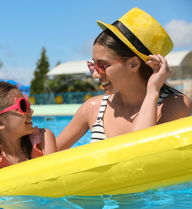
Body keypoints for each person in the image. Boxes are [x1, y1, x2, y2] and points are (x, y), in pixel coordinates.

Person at [57, 7, 192, 150]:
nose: (95, 74)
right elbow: (47, 157)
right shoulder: (93, 109)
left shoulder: (174, 106)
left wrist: (152, 91)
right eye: (93, 65)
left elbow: (140, 152)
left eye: (102, 65)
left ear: (133, 64)